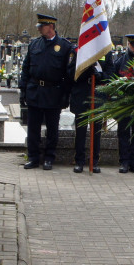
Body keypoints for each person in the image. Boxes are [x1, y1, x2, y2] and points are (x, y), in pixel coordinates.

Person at [20, 13, 75, 170]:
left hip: (53, 92)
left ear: (51, 27)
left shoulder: (64, 46)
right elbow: (26, 69)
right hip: (35, 90)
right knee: (33, 128)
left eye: (41, 26)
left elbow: (68, 73)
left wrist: (66, 95)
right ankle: (33, 157)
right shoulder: (34, 44)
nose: (39, 29)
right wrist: (23, 90)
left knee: (52, 128)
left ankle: (49, 157)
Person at [105, 34, 134, 173]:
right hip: (124, 104)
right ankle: (123, 161)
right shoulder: (120, 61)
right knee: (123, 133)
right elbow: (113, 83)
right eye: (133, 46)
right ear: (128, 44)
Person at [70, 58, 102, 174]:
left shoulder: (105, 51)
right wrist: (85, 73)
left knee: (97, 132)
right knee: (80, 132)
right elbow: (70, 73)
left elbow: (111, 72)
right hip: (81, 96)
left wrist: (100, 76)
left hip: (98, 96)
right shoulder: (79, 53)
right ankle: (79, 161)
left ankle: (94, 161)